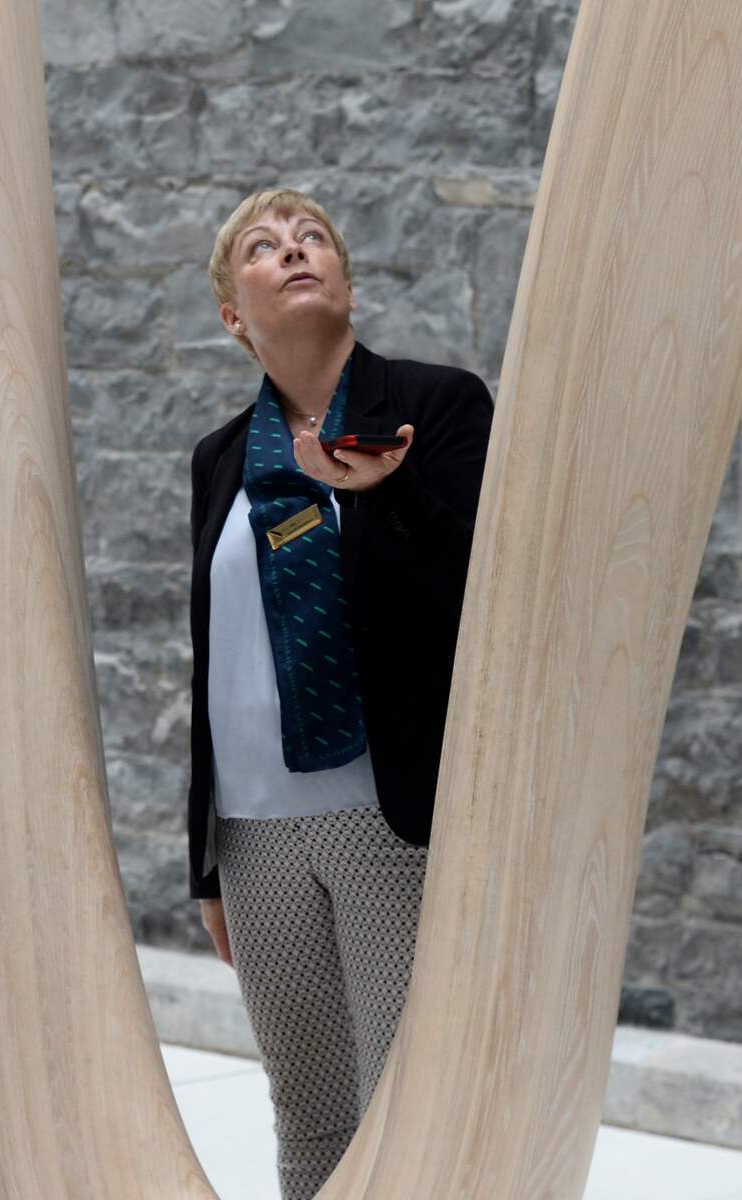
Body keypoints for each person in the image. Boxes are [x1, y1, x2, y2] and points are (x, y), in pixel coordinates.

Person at [185, 188, 493, 1199]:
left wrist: (386, 491)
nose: (294, 250)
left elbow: (487, 594)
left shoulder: (437, 407)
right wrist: (204, 862)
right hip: (255, 833)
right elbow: (212, 654)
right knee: (310, 1114)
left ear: (347, 285)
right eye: (264, 247)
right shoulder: (220, 459)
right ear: (235, 315)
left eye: (312, 237)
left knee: (412, 1113)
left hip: (389, 815)